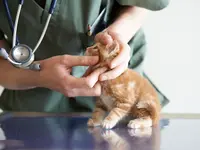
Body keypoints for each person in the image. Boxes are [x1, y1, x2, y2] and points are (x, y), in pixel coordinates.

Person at [0, 0, 170, 113]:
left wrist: (117, 35)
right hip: (33, 107)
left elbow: (140, 4)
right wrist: (39, 77)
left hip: (118, 96)